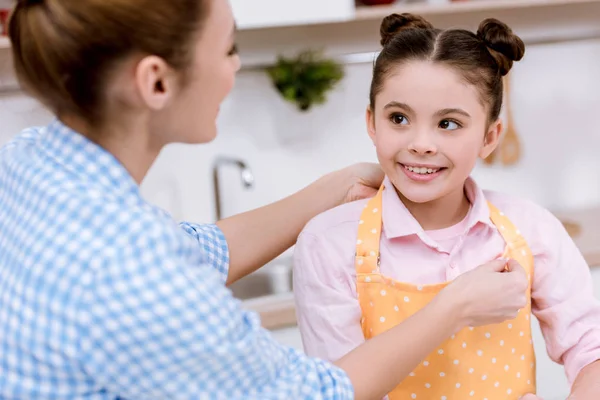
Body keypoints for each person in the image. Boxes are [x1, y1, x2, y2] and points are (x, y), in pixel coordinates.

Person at [0, 1, 531, 399]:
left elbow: (191, 250)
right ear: (156, 82)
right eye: (229, 48)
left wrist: (329, 188)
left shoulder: (27, 163)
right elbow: (310, 393)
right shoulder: (133, 268)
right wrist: (455, 306)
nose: (235, 67)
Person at [293, 12, 600, 400]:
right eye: (399, 118)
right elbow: (335, 391)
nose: (421, 143)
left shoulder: (530, 229)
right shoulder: (329, 244)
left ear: (490, 136)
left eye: (449, 124)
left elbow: (591, 350)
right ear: (372, 123)